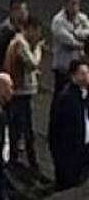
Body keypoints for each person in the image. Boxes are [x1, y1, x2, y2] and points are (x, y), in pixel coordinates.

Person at [4, 15, 43, 169]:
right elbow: (33, 63)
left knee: (20, 127)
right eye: (37, 31)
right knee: (23, 128)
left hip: (22, 91)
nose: (38, 35)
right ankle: (24, 161)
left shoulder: (19, 42)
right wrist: (38, 48)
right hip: (20, 92)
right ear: (30, 29)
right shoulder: (21, 44)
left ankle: (18, 159)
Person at [48, 58, 89, 190]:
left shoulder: (85, 96)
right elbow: (55, 129)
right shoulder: (65, 98)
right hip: (69, 154)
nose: (86, 77)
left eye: (87, 73)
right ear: (73, 75)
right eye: (82, 74)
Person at [51, 0, 89, 96]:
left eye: (77, 4)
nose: (75, 7)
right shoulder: (58, 21)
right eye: (73, 4)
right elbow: (69, 41)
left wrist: (76, 33)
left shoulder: (82, 18)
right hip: (63, 67)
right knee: (60, 95)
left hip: (77, 66)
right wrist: (84, 44)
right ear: (65, 4)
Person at [0, 0, 28, 74]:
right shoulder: (4, 32)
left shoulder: (25, 30)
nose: (23, 13)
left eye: (25, 10)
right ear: (12, 12)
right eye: (19, 10)